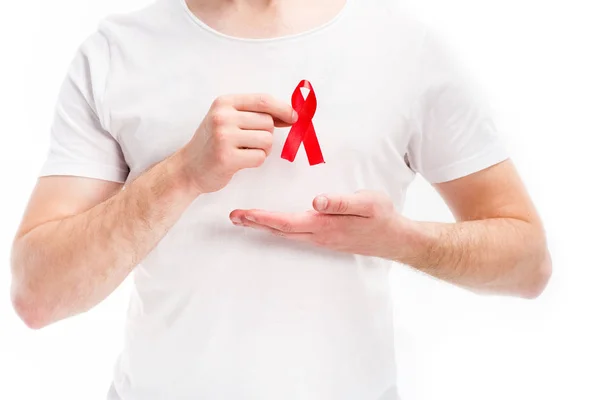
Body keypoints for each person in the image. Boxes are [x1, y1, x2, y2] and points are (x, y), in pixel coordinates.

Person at [10, 0, 552, 398]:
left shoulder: (407, 50)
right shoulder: (114, 54)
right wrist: (181, 174)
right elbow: (38, 294)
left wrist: (401, 240)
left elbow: (527, 262)